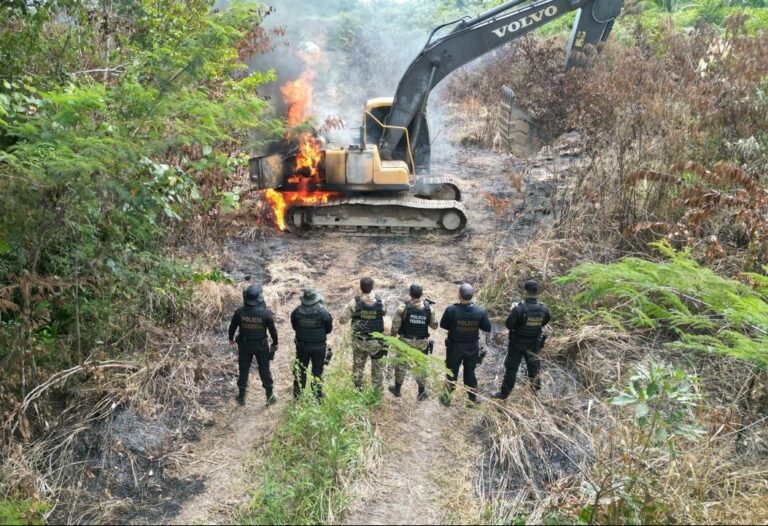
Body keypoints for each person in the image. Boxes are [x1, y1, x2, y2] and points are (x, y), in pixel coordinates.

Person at [493, 280, 551, 399]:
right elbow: (545, 321)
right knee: (534, 367)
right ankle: (535, 393)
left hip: (517, 344)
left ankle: (504, 394)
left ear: (525, 291)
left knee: (512, 369)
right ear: (537, 292)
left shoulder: (518, 309)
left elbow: (509, 325)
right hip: (534, 343)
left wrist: (512, 312)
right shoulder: (543, 309)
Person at [439, 283, 491, 405]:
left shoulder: (451, 310)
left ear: (459, 295)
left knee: (451, 372)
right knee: (470, 372)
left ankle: (446, 399)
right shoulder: (480, 311)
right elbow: (487, 328)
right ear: (471, 296)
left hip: (454, 347)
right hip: (472, 347)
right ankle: (472, 400)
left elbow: (443, 325)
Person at [228, 284, 278, 406]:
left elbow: (232, 327)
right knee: (264, 369)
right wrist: (275, 343)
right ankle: (270, 396)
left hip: (244, 345)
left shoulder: (240, 312)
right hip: (261, 345)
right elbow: (273, 331)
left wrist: (231, 339)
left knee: (243, 369)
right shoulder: (266, 313)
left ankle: (241, 397)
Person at [388, 284, 438, 401]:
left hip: (405, 342)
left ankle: (397, 389)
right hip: (421, 343)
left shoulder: (403, 307)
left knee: (401, 365)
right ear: (421, 294)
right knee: (421, 366)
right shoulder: (428, 308)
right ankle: (421, 393)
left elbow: (395, 326)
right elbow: (434, 326)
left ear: (410, 294)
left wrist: (392, 338)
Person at [339, 276, 387, 393]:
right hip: (376, 343)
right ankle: (377, 393)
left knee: (358, 368)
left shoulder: (354, 303)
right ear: (372, 287)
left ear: (360, 287)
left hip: (359, 342)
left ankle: (358, 391)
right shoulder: (381, 302)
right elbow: (384, 313)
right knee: (377, 369)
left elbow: (342, 320)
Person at [290, 287, 333, 400]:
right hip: (318, 347)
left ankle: (297, 396)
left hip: (302, 346)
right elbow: (329, 329)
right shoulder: (324, 313)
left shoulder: (296, 312)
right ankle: (317, 396)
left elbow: (295, 327)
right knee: (317, 372)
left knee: (300, 371)